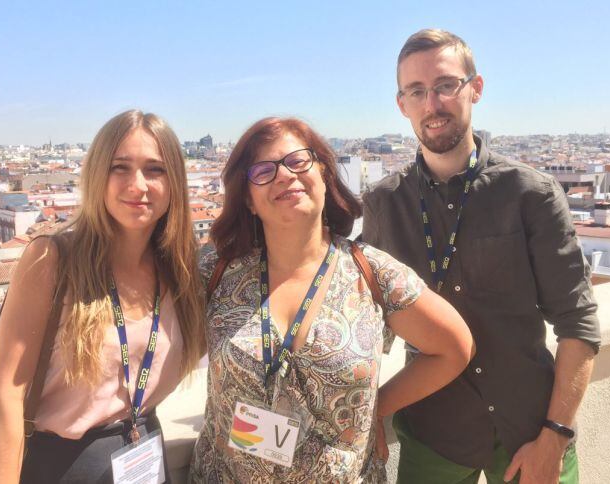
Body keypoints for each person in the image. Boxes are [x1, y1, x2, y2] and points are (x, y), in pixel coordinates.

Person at [361, 29, 602, 484]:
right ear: (402, 104)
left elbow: (579, 323)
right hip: (435, 435)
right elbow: (371, 331)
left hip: (531, 433)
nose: (432, 104)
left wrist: (555, 437)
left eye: (446, 85)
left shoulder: (530, 193)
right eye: (417, 91)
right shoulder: (383, 205)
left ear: (476, 88)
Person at [190, 116, 475, 482]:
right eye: (263, 170)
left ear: (324, 175)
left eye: (297, 162)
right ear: (248, 200)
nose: (284, 175)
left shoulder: (372, 272)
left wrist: (379, 406)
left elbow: (454, 347)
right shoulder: (216, 271)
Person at [0, 110, 205, 483]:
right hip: (59, 469)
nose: (138, 185)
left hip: (146, 457)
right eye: (121, 167)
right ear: (98, 174)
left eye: (155, 170)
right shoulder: (53, 260)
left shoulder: (180, 273)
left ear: (175, 182)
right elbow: (6, 398)